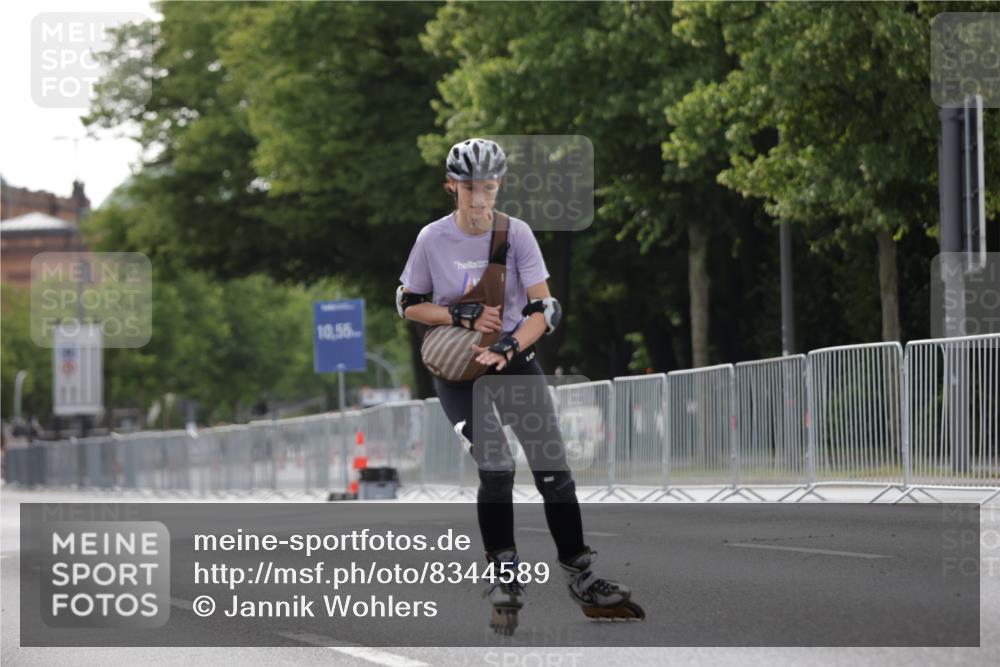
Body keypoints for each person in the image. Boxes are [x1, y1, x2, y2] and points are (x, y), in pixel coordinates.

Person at [396, 138, 643, 635]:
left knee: (553, 470)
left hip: (512, 360)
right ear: (451, 187)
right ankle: (504, 577)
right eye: (469, 188)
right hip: (460, 373)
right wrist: (456, 314)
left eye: (488, 187)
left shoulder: (518, 234)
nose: (480, 198)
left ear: (499, 185)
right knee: (496, 467)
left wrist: (508, 347)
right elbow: (407, 302)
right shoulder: (431, 239)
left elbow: (543, 310)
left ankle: (581, 575)